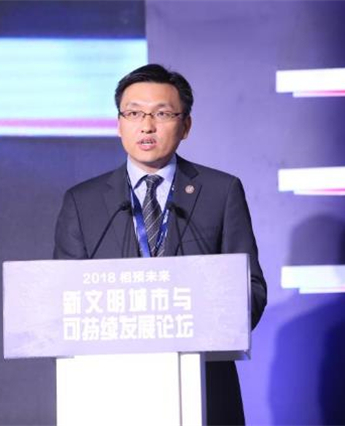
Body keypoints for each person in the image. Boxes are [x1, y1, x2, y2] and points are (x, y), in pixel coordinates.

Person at [54, 63, 267, 425]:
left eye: (162, 114)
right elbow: (62, 299)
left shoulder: (221, 191)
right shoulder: (82, 201)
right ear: (118, 123)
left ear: (186, 126)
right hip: (109, 391)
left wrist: (204, 324)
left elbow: (252, 289)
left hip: (203, 385)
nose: (147, 125)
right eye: (134, 113)